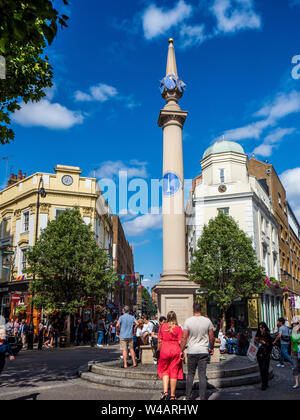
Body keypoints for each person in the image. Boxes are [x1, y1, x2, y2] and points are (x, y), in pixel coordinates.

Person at [180, 303, 215, 401]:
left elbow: (184, 337)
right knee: (202, 375)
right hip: (203, 351)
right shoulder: (207, 321)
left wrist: (181, 350)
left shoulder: (188, 321)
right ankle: (203, 398)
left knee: (190, 374)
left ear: (193, 309)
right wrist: (211, 348)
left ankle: (188, 397)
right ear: (201, 309)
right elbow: (211, 337)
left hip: (192, 351)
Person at [157, 311, 183, 400]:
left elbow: (159, 340)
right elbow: (180, 342)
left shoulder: (162, 327)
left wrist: (158, 350)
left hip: (165, 349)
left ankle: (165, 392)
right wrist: (182, 351)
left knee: (165, 370)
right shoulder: (178, 328)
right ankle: (172, 395)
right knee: (174, 372)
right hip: (175, 350)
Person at [255, 322, 273, 390]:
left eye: (262, 327)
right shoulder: (258, 334)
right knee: (261, 369)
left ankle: (265, 383)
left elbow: (270, 344)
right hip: (259, 354)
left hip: (266, 354)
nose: (261, 329)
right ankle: (263, 383)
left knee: (265, 368)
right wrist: (256, 340)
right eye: (260, 328)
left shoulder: (267, 335)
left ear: (265, 328)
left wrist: (264, 343)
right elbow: (255, 343)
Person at [290, 319, 300, 390]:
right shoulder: (292, 335)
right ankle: (296, 383)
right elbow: (292, 343)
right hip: (295, 352)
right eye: (293, 325)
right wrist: (291, 352)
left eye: (295, 324)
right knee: (295, 367)